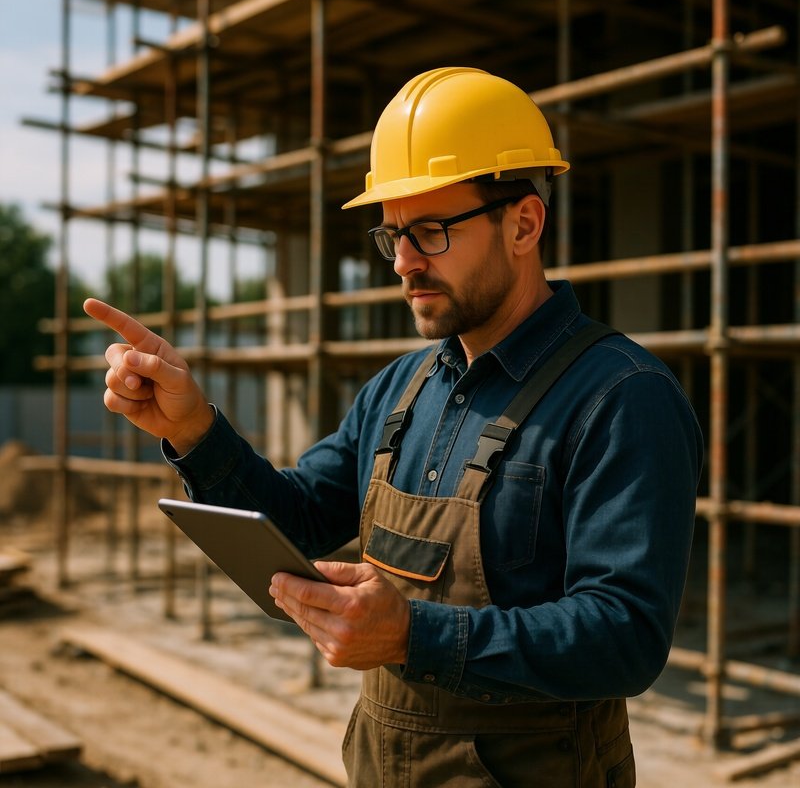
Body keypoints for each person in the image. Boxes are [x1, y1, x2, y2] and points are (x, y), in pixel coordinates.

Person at [85, 66, 703, 787]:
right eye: (394, 235)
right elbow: (301, 521)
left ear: (524, 223)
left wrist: (413, 634)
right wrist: (194, 431)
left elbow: (626, 634)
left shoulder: (621, 397)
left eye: (432, 231)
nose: (404, 262)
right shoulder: (399, 392)